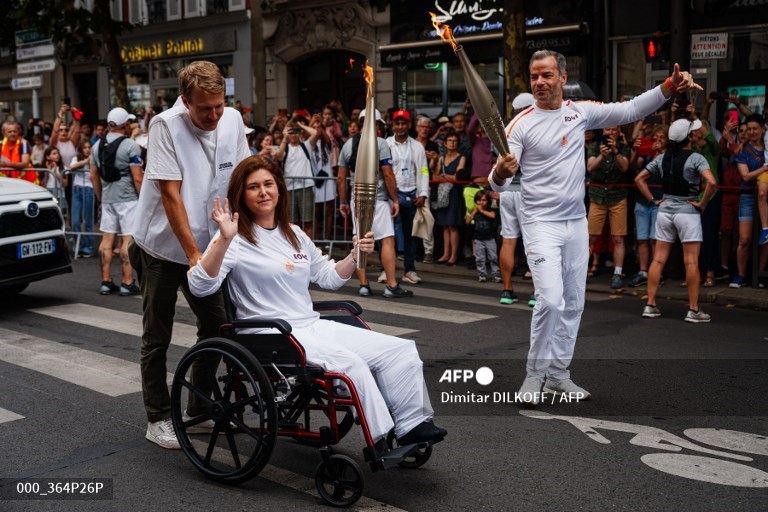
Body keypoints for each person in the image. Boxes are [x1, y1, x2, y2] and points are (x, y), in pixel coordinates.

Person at [188, 155, 446, 447]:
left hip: (310, 326)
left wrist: (354, 254)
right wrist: (223, 240)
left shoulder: (294, 234)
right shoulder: (233, 238)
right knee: (352, 366)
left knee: (399, 350)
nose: (263, 192)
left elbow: (328, 277)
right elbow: (199, 285)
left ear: (279, 189)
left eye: (268, 184)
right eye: (253, 187)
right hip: (270, 334)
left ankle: (412, 424)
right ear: (241, 195)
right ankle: (381, 437)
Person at [491, 50, 700, 404]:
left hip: (575, 223)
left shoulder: (580, 112)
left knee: (573, 303)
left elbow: (631, 109)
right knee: (551, 301)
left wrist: (668, 87)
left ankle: (558, 375)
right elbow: (496, 183)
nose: (539, 82)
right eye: (534, 76)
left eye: (546, 75)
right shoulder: (519, 125)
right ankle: (533, 375)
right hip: (540, 224)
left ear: (561, 76)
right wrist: (502, 172)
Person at [128, 60, 251, 449]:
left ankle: (199, 408)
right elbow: (170, 194)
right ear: (185, 101)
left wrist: (252, 235)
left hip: (210, 241)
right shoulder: (165, 125)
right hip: (163, 247)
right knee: (157, 335)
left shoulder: (231, 119)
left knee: (219, 325)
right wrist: (193, 255)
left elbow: (243, 176)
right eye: (204, 108)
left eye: (219, 105)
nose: (214, 115)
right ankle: (158, 417)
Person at [635, 118, 717, 322]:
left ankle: (650, 304)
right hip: (688, 212)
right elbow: (712, 182)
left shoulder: (662, 158)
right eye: (693, 133)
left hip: (664, 211)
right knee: (691, 261)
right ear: (689, 137)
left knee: (658, 259)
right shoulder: (696, 158)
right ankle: (693, 309)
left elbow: (639, 179)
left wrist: (654, 200)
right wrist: (702, 203)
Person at [337, 108, 413, 298]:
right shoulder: (380, 143)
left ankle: (363, 285)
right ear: (378, 125)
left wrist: (344, 201)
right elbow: (387, 173)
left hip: (357, 199)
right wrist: (395, 199)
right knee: (387, 240)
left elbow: (340, 178)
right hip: (378, 200)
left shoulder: (347, 145)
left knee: (359, 240)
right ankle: (391, 285)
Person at [91, 107, 143, 295]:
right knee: (127, 240)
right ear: (125, 124)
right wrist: (143, 198)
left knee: (107, 240)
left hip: (107, 198)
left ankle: (106, 281)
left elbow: (93, 175)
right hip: (128, 199)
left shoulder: (96, 146)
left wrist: (100, 198)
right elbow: (137, 177)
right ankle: (127, 282)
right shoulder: (131, 145)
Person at [386, 109, 430, 284]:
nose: (400, 127)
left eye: (403, 123)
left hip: (411, 195)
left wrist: (423, 193)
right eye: (397, 123)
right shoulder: (386, 144)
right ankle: (385, 270)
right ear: (393, 125)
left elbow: (423, 170)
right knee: (388, 235)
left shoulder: (417, 146)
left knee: (410, 235)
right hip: (391, 196)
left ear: (409, 125)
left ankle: (409, 270)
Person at [586, 125, 631, 289]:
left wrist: (615, 151)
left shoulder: (624, 148)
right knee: (590, 237)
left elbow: (625, 167)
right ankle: (581, 270)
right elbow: (590, 167)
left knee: (618, 237)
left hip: (617, 196)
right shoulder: (594, 146)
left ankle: (617, 273)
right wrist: (601, 155)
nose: (610, 133)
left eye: (613, 130)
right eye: (607, 130)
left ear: (619, 132)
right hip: (597, 196)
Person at [730, 114, 768, 287]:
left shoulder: (767, 147)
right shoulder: (742, 150)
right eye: (749, 129)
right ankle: (741, 275)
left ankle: (759, 274)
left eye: (755, 129)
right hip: (747, 197)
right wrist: (765, 168)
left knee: (765, 239)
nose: (752, 132)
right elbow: (745, 176)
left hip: (764, 197)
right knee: (744, 239)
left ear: (762, 130)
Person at [627, 125, 667, 287]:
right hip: (642, 202)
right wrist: (637, 150)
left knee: (655, 240)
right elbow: (634, 165)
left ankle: (657, 272)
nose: (657, 141)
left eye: (661, 138)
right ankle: (643, 271)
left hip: (659, 201)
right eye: (655, 138)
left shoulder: (668, 157)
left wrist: (660, 154)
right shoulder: (647, 155)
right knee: (642, 239)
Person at [273, 119, 319, 238]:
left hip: (306, 186)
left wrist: (300, 124)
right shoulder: (286, 147)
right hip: (290, 188)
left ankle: (308, 246)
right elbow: (279, 156)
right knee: (292, 221)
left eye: (297, 132)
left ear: (300, 133)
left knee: (308, 220)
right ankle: (295, 246)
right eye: (291, 132)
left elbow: (315, 133)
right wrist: (284, 137)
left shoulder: (306, 146)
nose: (294, 135)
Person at [434, 132, 466, 265]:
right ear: (445, 143)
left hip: (455, 194)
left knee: (453, 225)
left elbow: (458, 176)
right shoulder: (441, 158)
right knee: (444, 225)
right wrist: (448, 176)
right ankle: (445, 254)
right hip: (442, 194)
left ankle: (453, 256)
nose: (452, 143)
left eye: (454, 140)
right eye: (449, 140)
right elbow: (435, 176)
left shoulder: (461, 157)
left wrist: (443, 175)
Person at [466, 189, 500, 282]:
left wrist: (482, 211)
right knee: (480, 257)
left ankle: (496, 273)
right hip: (478, 238)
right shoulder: (475, 211)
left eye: (484, 200)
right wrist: (474, 211)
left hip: (490, 238)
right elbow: (467, 221)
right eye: (479, 200)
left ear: (488, 201)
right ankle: (482, 273)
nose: (481, 202)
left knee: (493, 256)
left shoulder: (490, 210)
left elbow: (493, 216)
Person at [69, 140, 95, 258]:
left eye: (89, 147)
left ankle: (88, 247)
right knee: (75, 221)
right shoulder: (76, 158)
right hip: (77, 190)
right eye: (84, 147)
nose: (87, 149)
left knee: (88, 220)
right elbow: (72, 167)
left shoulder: (94, 160)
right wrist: (86, 161)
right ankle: (78, 246)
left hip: (89, 190)